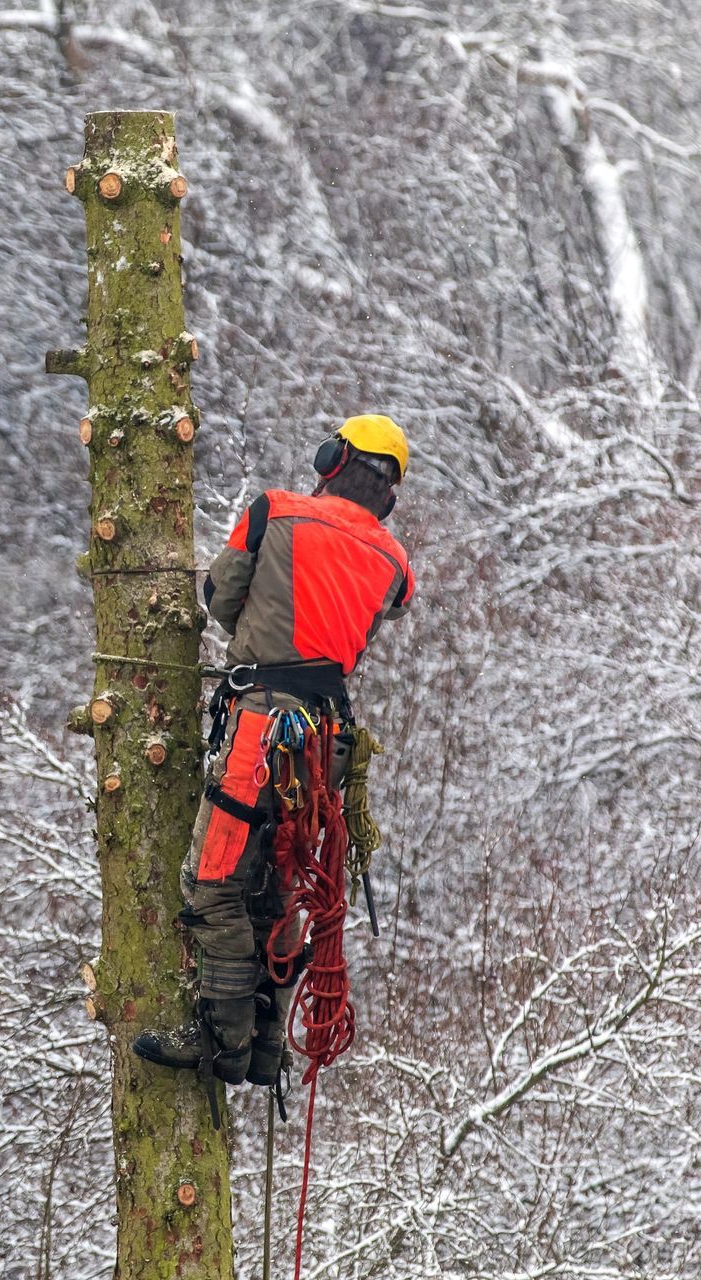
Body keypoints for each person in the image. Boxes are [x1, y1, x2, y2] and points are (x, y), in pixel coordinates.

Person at [132, 414, 415, 1087]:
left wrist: (262, 625)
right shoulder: (394, 563)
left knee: (210, 880)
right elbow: (375, 617)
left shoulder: (274, 512)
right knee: (279, 882)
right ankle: (266, 1038)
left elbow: (221, 598)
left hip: (264, 726)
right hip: (328, 738)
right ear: (389, 491)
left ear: (332, 459)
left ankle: (221, 1037)